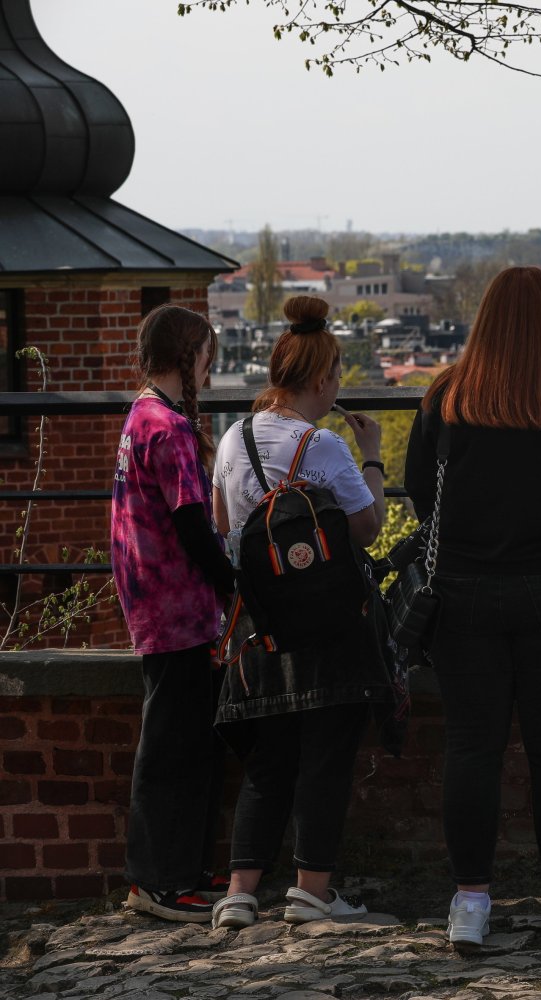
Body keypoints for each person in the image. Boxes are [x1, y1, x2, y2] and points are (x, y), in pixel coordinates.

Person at [405, 265, 541, 947]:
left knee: (472, 745)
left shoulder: (445, 398)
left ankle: (470, 903)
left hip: (464, 589)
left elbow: (420, 495)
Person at [207, 295, 391, 929]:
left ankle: (240, 891)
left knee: (269, 757)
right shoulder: (325, 446)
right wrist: (372, 455)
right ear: (322, 379)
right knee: (327, 755)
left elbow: (224, 527)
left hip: (259, 625)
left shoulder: (231, 438)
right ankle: (313, 890)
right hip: (328, 623)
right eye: (337, 374)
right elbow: (367, 528)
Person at [111, 304, 236, 922]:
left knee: (185, 742)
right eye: (207, 354)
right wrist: (232, 583)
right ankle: (158, 880)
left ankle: (180, 869)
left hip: (154, 603)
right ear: (188, 355)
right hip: (178, 609)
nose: (212, 367)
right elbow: (193, 523)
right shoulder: (171, 428)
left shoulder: (141, 413)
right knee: (173, 747)